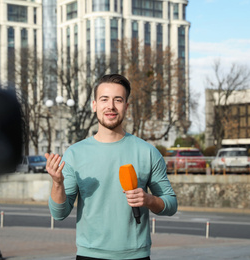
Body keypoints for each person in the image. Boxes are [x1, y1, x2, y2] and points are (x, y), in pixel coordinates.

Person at [45, 74, 177, 260]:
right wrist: (57, 183)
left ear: (126, 107)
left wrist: (148, 200)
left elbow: (171, 204)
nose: (111, 106)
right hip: (89, 255)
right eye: (104, 99)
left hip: (136, 256)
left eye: (118, 100)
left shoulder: (147, 152)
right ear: (94, 105)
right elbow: (59, 214)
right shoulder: (75, 154)